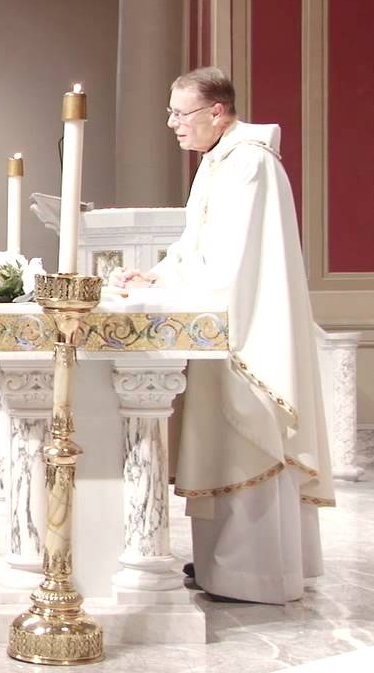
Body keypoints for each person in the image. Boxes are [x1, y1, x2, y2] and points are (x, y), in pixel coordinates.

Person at [114, 67, 333, 605]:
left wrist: (175, 283)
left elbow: (233, 262)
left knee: (248, 435)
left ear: (217, 111)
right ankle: (221, 565)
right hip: (221, 321)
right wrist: (158, 275)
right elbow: (195, 246)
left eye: (180, 113)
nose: (172, 124)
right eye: (170, 113)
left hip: (248, 328)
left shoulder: (250, 163)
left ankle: (255, 573)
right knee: (221, 441)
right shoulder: (216, 163)